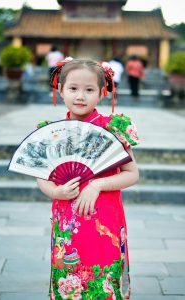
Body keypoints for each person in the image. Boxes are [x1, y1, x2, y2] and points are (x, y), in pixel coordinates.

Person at [37, 58, 139, 299]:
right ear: (60, 90)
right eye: (73, 88)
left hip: (105, 216)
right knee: (69, 276)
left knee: (103, 276)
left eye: (89, 89)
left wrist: (97, 184)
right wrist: (54, 191)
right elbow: (42, 176)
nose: (80, 96)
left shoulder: (113, 129)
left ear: (102, 93)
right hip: (68, 219)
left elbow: (132, 173)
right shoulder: (52, 133)